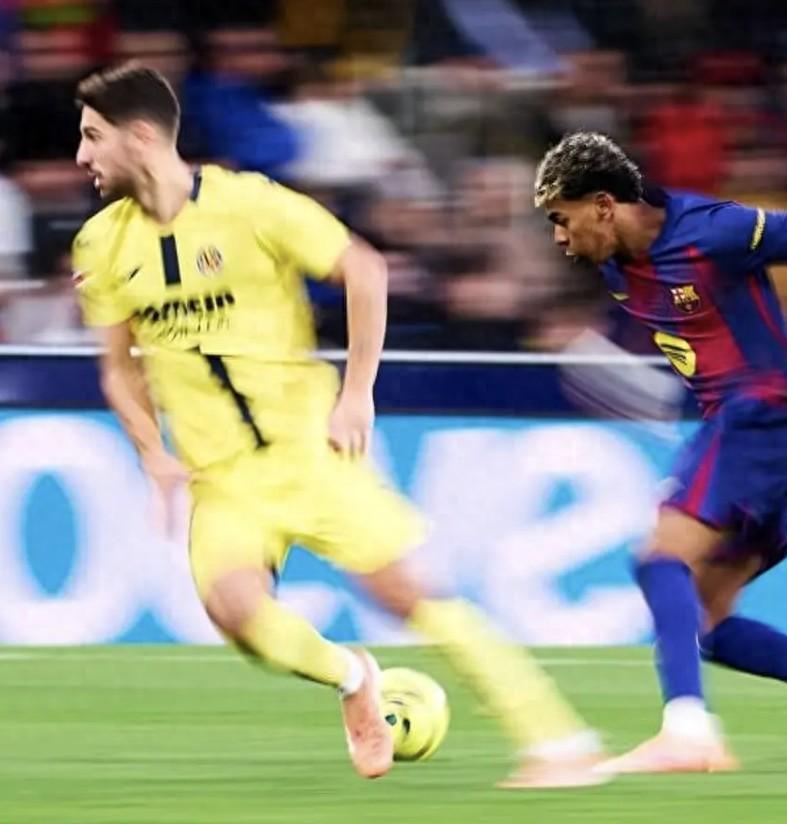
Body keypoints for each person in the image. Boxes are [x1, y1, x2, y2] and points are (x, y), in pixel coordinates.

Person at [71, 62, 607, 789]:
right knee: (237, 615)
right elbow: (118, 367)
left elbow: (365, 269)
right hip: (220, 477)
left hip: (307, 449)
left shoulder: (250, 204)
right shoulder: (100, 244)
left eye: (93, 136)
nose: (82, 155)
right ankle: (353, 677)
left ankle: (560, 741)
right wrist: (151, 453)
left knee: (406, 592)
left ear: (140, 137)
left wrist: (357, 393)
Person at [534, 131, 787, 775]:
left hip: (763, 418)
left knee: (660, 561)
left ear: (604, 205)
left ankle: (688, 732)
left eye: (561, 218)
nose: (558, 237)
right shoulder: (614, 267)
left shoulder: (715, 230)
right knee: (706, 624)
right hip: (764, 428)